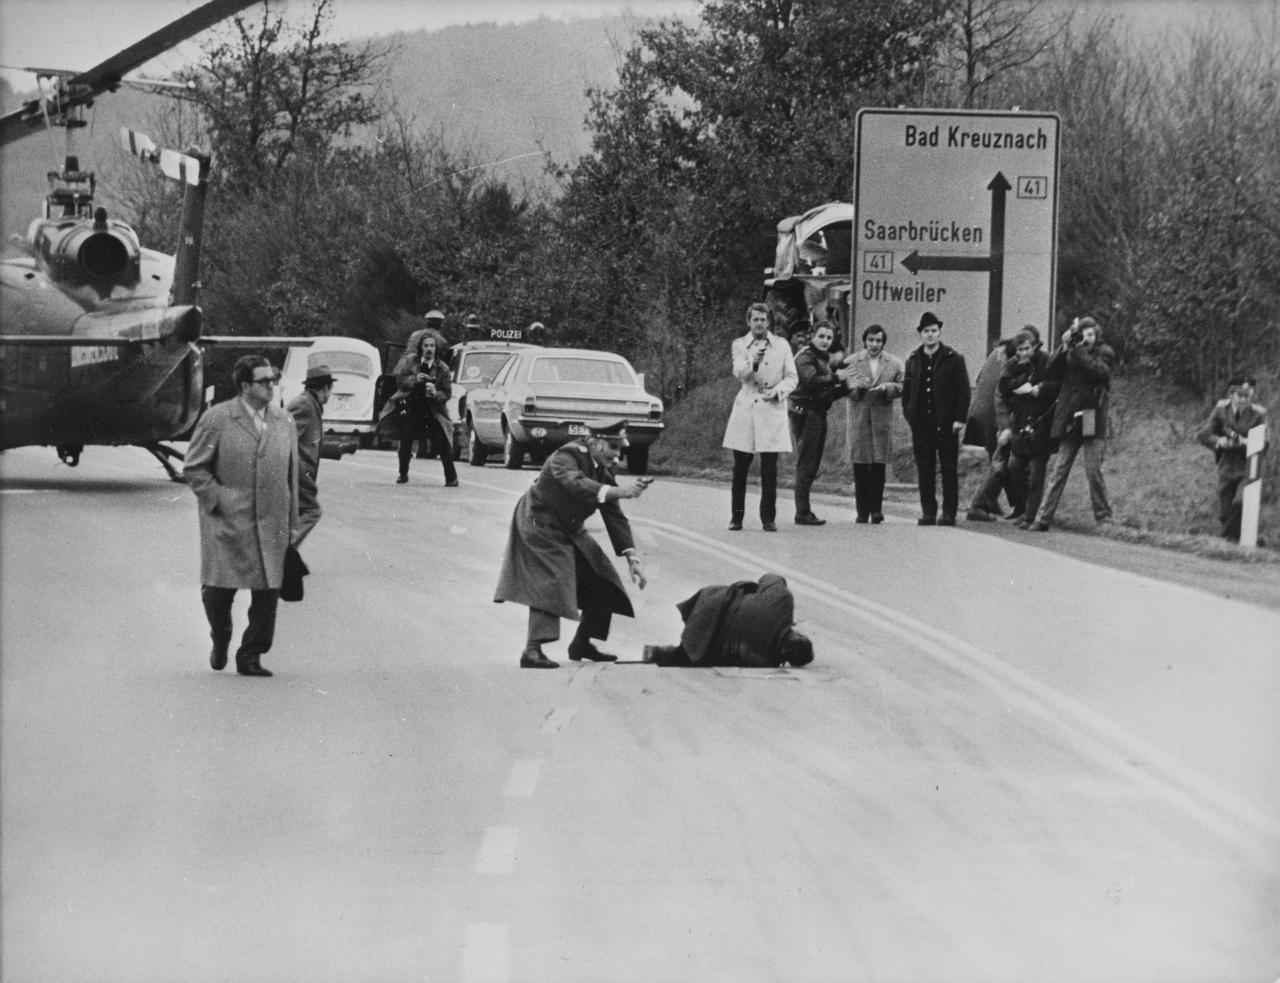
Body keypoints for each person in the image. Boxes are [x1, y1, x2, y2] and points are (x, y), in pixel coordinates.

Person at [493, 419, 652, 669]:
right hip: (538, 521)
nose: (618, 457)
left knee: (601, 574)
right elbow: (577, 484)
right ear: (597, 443)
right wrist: (621, 491)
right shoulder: (566, 456)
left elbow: (614, 514)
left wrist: (632, 557)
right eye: (614, 449)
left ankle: (582, 643)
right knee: (552, 577)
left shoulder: (602, 466)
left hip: (568, 525)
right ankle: (532, 651)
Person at [183, 355, 300, 678]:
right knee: (219, 591)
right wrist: (219, 500)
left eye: (273, 380)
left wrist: (292, 521)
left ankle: (251, 654)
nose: (271, 386)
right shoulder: (217, 418)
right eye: (264, 381)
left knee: (268, 592)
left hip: (273, 520)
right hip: (228, 521)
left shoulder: (283, 420)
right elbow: (194, 467)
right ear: (245, 386)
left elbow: (292, 473)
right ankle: (220, 636)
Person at [1030, 316, 1116, 531]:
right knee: (1059, 470)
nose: (1087, 338)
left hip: (1090, 415)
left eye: (1090, 334)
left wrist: (1077, 349)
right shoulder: (1072, 350)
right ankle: (1043, 519)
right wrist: (1063, 346)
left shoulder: (1104, 352)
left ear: (1096, 335)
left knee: (1092, 470)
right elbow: (1051, 370)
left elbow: (1096, 372)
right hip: (1071, 416)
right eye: (1083, 334)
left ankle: (1104, 518)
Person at [722, 302, 798, 532]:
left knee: (769, 467)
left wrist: (778, 391)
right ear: (748, 322)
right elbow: (739, 372)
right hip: (747, 404)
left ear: (768, 322)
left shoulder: (781, 345)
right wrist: (753, 361)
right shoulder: (740, 345)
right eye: (755, 320)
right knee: (741, 465)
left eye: (763, 320)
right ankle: (737, 517)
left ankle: (768, 517)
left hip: (770, 405)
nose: (759, 324)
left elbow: (791, 377)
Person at [642, 573, 814, 668]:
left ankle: (661, 653)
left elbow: (771, 577)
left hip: (709, 604)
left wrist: (755, 596)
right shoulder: (767, 660)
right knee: (688, 657)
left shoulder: (782, 601)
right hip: (702, 642)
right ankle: (658, 652)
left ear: (798, 634)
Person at [901, 312, 970, 525]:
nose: (930, 335)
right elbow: (907, 391)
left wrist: (959, 418)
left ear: (939, 332)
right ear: (920, 334)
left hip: (946, 424)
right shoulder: (913, 359)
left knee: (949, 468)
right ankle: (928, 511)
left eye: (933, 331)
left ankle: (949, 512)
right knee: (925, 469)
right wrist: (910, 415)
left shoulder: (953, 358)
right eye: (926, 331)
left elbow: (963, 391)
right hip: (921, 424)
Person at [843, 324, 904, 524]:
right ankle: (862, 511)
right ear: (864, 341)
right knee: (860, 467)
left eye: (878, 341)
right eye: (870, 340)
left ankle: (876, 510)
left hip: (881, 420)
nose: (874, 345)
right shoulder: (851, 362)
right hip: (859, 419)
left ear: (883, 343)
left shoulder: (894, 363)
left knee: (878, 466)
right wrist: (856, 388)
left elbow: (904, 385)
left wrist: (888, 388)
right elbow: (843, 387)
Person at [1196, 376, 1269, 541]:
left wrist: (1246, 442)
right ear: (1231, 395)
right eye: (1240, 396)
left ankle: (1225, 540)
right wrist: (1219, 442)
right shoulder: (1221, 409)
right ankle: (1248, 540)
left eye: (1247, 396)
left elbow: (1265, 442)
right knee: (1225, 513)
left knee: (1241, 502)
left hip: (1248, 464)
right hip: (1227, 463)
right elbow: (1204, 434)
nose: (1244, 400)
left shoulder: (1258, 413)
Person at [790, 321, 847, 525]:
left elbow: (825, 394)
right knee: (807, 462)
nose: (825, 341)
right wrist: (835, 378)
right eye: (821, 336)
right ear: (812, 336)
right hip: (805, 413)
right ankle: (802, 512)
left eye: (829, 338)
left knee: (812, 462)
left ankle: (804, 510)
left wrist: (848, 387)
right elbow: (810, 381)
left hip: (818, 412)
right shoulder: (806, 356)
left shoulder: (822, 358)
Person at [999, 330, 1057, 529]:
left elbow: (1057, 383)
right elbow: (1004, 386)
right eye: (1020, 350)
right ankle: (1025, 510)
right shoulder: (1013, 364)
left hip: (1041, 421)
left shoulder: (1047, 360)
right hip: (1021, 420)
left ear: (1034, 346)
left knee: (1036, 471)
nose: (1023, 353)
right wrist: (1022, 383)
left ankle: (1032, 516)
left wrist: (1040, 388)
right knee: (1014, 467)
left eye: (1027, 349)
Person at [384, 330, 459, 486]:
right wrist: (415, 379)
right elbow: (400, 381)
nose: (429, 349)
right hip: (413, 408)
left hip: (432, 412)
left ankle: (451, 478)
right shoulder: (411, 362)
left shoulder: (442, 368)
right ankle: (402, 473)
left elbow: (447, 393)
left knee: (442, 443)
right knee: (405, 441)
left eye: (432, 345)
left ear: (436, 348)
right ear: (421, 348)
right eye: (426, 346)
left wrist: (435, 393)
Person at [963, 335, 1023, 522]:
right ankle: (979, 505)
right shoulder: (1014, 365)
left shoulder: (996, 354)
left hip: (978, 412)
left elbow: (979, 377)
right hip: (992, 416)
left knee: (999, 460)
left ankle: (996, 503)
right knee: (1002, 461)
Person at [286, 363, 334, 547]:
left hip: (300, 473)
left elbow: (310, 442)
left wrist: (339, 448)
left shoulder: (310, 404)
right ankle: (285, 553)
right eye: (330, 390)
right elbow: (284, 438)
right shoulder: (304, 405)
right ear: (324, 388)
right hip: (298, 473)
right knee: (312, 511)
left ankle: (285, 553)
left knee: (297, 514)